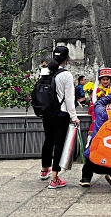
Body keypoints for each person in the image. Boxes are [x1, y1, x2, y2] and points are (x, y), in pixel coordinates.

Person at [40, 45, 78, 189]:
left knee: (48, 140)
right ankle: (55, 178)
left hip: (47, 112)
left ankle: (45, 170)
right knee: (59, 144)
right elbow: (69, 99)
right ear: (67, 59)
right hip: (61, 113)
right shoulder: (66, 75)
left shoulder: (45, 71)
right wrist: (74, 117)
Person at [88, 68, 111, 133]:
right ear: (100, 80)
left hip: (109, 110)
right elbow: (93, 101)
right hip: (99, 109)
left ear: (110, 80)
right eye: (103, 79)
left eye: (107, 79)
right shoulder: (96, 90)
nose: (105, 81)